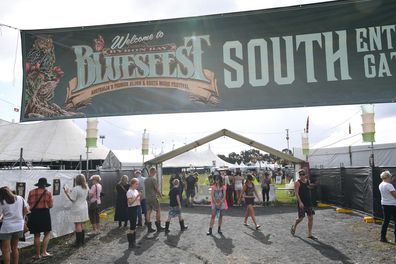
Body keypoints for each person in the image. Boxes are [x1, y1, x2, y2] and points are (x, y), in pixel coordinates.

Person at [0, 186, 29, 264]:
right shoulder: (20, 198)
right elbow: (26, 211)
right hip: (19, 226)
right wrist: (19, 217)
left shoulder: (2, 201)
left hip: (7, 227)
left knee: (6, 249)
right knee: (15, 248)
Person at [27, 177, 53, 260]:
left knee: (36, 235)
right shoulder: (48, 193)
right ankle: (44, 252)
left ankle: (37, 254)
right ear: (45, 185)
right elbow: (51, 205)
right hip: (45, 213)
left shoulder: (31, 192)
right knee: (47, 233)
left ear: (38, 184)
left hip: (34, 214)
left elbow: (28, 203)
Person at [63, 174, 90, 247]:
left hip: (77, 208)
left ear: (77, 180)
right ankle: (82, 241)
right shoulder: (86, 187)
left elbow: (72, 199)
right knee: (81, 224)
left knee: (77, 224)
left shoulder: (76, 188)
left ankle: (78, 242)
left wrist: (67, 193)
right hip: (84, 207)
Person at [290, 169, 316, 239]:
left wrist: (313, 185)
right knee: (301, 218)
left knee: (311, 218)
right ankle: (294, 225)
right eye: (300, 175)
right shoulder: (297, 183)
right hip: (302, 203)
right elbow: (296, 193)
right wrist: (300, 202)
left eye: (303, 174)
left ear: (305, 175)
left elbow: (308, 187)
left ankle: (309, 234)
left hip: (309, 202)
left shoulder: (307, 181)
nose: (301, 176)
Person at [378, 170, 396, 243]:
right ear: (387, 177)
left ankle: (382, 237)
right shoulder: (389, 185)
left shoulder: (381, 184)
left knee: (386, 221)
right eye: (390, 177)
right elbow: (395, 195)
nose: (391, 178)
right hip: (392, 205)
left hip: (385, 204)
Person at [144, 167, 164, 233]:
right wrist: (160, 195)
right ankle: (159, 226)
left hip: (147, 197)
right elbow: (156, 189)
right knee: (158, 210)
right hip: (153, 197)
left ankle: (149, 228)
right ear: (153, 172)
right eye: (155, 172)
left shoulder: (145, 180)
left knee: (148, 212)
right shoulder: (153, 179)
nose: (155, 173)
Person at [126, 178, 141, 249]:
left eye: (138, 184)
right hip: (131, 209)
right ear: (132, 184)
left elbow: (137, 200)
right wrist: (137, 197)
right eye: (136, 184)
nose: (137, 185)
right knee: (132, 227)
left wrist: (139, 198)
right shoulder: (129, 192)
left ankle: (133, 242)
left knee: (134, 227)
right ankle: (130, 244)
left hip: (136, 208)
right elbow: (130, 202)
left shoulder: (135, 191)